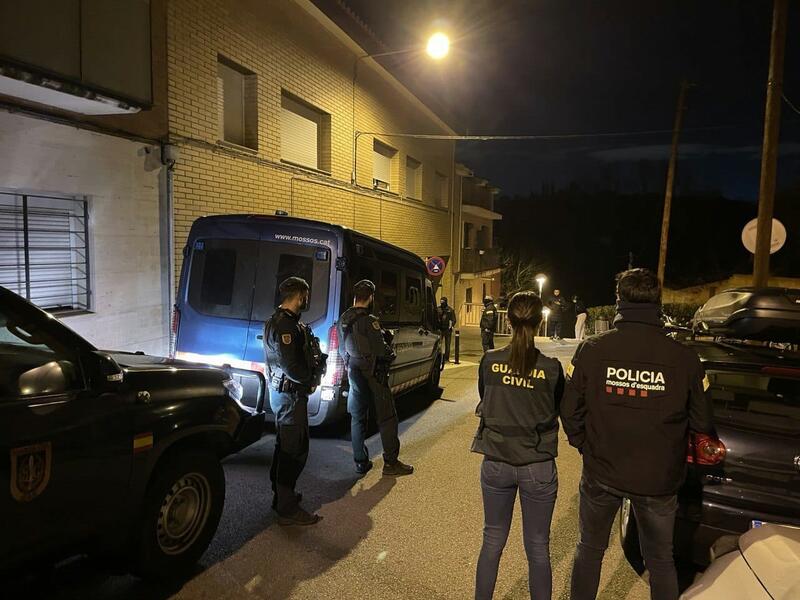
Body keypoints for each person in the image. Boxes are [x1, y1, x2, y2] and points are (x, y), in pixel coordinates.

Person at [561, 268, 715, 600]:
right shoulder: (685, 358)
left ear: (619, 301)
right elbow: (702, 422)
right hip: (659, 478)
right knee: (660, 561)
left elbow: (569, 410)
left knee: (590, 549)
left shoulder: (592, 350)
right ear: (658, 302)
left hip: (602, 470)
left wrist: (585, 445)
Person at [471, 291, 565, 600]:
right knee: (538, 547)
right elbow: (558, 407)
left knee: (492, 540)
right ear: (539, 323)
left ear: (509, 321)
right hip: (537, 465)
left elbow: (485, 397)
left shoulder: (489, 361)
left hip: (496, 461)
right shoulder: (552, 368)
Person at [264, 276, 325, 526]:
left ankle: (281, 496)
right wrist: (310, 379)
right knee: (294, 449)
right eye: (305, 295)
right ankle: (287, 507)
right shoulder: (286, 326)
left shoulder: (276, 320)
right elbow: (291, 366)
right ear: (300, 296)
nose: (306, 300)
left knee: (285, 446)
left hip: (282, 394)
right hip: (289, 396)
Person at [338, 279, 414, 477]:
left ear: (355, 296)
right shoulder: (370, 321)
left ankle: (360, 462)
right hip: (373, 372)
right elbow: (381, 351)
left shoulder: (343, 318)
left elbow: (341, 349)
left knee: (357, 417)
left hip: (353, 370)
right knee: (387, 416)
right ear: (370, 297)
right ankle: (391, 462)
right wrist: (389, 347)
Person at [438, 297, 457, 363]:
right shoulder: (438, 309)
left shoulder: (450, 310)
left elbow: (454, 319)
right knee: (438, 344)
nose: (442, 303)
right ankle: (438, 358)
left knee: (447, 345)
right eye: (441, 302)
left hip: (447, 329)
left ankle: (446, 358)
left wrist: (451, 325)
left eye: (443, 302)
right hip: (440, 329)